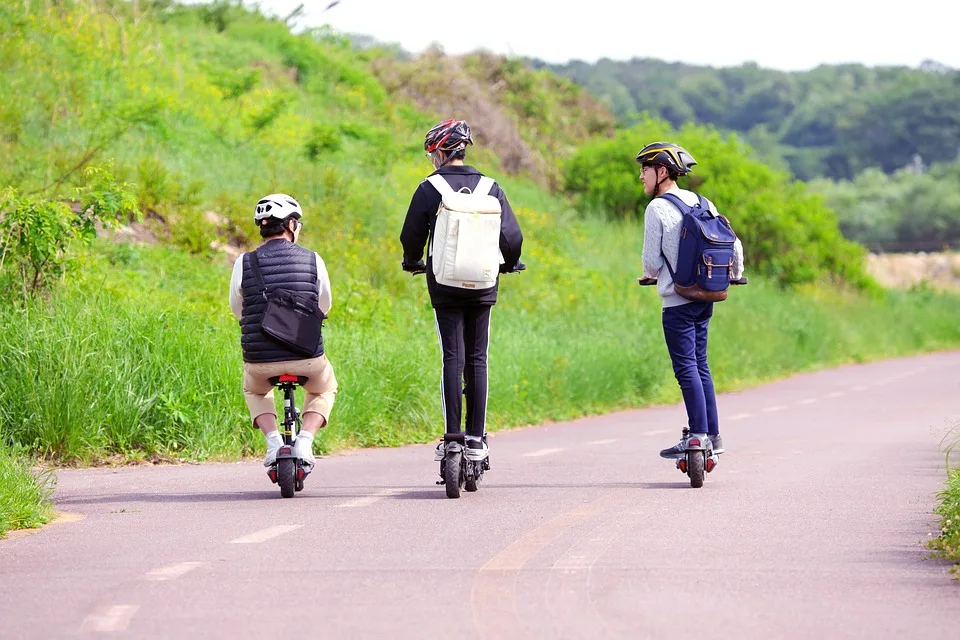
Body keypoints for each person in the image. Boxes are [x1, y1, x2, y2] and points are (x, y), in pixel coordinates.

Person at [399, 118, 524, 463]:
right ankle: (476, 438)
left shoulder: (429, 188)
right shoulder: (491, 186)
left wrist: (412, 261)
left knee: (452, 358)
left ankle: (453, 436)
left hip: (444, 283)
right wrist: (510, 262)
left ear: (440, 151)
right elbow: (512, 237)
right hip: (483, 283)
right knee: (478, 358)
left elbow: (411, 236)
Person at [636, 142, 744, 458]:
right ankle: (713, 435)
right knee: (701, 365)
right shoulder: (702, 201)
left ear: (662, 171)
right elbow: (733, 244)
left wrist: (650, 274)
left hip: (678, 301)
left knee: (686, 368)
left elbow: (650, 261)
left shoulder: (656, 208)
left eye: (645, 169)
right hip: (706, 294)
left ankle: (696, 436)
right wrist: (734, 275)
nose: (641, 176)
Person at [228, 193, 338, 473]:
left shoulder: (244, 261)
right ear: (290, 225)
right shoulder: (314, 259)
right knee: (324, 387)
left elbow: (237, 309)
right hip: (306, 355)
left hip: (260, 358)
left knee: (254, 389)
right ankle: (305, 440)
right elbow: (324, 306)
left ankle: (273, 442)